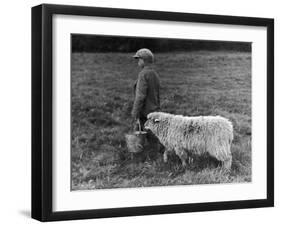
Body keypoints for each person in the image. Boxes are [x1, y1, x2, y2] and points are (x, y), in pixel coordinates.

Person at [131, 48, 160, 131]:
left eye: (139, 59)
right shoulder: (154, 74)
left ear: (143, 60)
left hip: (144, 113)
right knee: (153, 135)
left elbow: (140, 96)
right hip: (155, 112)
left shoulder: (143, 74)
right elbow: (157, 95)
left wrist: (135, 113)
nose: (138, 62)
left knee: (139, 137)